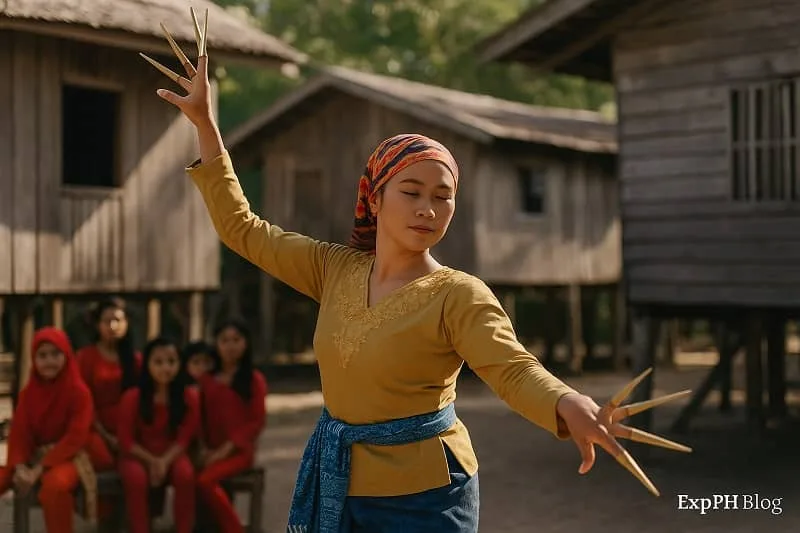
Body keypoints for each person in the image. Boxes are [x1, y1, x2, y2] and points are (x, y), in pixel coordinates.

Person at [146, 17, 688, 532]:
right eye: (411, 192)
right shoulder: (333, 268)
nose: (428, 208)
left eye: (442, 196)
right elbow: (242, 228)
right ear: (375, 199)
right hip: (342, 485)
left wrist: (568, 403)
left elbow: (513, 369)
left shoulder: (457, 294)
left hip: (429, 497)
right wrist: (206, 126)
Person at [0, 327, 104, 533]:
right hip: (36, 455)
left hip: (72, 456)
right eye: (42, 355)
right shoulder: (28, 393)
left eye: (55, 354)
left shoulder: (79, 392)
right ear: (34, 359)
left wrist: (37, 470)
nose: (49, 361)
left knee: (55, 486)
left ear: (67, 356)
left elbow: (75, 438)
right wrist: (20, 467)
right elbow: (20, 434)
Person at [117, 336, 199, 533]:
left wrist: (164, 461)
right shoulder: (132, 397)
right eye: (158, 362)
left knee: (185, 475)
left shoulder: (188, 396)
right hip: (137, 454)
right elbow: (126, 441)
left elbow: (184, 438)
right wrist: (152, 461)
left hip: (173, 454)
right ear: (147, 364)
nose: (165, 368)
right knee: (136, 479)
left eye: (171, 361)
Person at [194, 319, 268, 533]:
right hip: (210, 450)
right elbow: (198, 417)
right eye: (224, 340)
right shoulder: (206, 380)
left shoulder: (254, 380)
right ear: (216, 344)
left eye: (236, 340)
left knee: (205, 481)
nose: (230, 346)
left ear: (246, 343)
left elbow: (256, 422)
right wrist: (203, 449)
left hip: (239, 452)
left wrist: (225, 449)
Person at [76, 297, 141, 458]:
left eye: (118, 320)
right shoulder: (85, 357)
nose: (113, 326)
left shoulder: (136, 360)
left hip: (132, 430)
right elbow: (82, 402)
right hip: (95, 428)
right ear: (97, 325)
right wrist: (106, 436)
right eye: (107, 321)